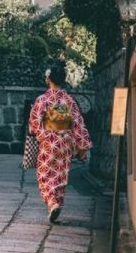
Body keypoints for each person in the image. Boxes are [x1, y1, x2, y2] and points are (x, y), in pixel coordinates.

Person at [28, 63, 93, 223]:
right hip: (65, 143)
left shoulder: (42, 100)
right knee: (60, 174)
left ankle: (52, 203)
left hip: (48, 142)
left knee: (44, 175)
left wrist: (41, 134)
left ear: (49, 79)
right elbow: (78, 123)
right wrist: (82, 146)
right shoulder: (68, 100)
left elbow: (34, 123)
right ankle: (56, 203)